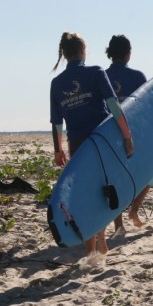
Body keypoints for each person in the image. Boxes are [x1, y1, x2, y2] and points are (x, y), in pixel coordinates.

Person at [50, 32, 134, 264]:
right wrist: (127, 137)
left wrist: (58, 150)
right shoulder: (96, 72)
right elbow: (114, 106)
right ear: (83, 51)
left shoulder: (56, 83)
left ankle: (96, 248)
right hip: (102, 139)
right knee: (105, 189)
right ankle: (98, 248)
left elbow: (57, 123)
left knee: (87, 193)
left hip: (77, 145)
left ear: (65, 54)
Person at [105, 35, 149, 234]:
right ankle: (134, 211)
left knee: (114, 180)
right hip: (133, 135)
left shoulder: (102, 76)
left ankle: (119, 225)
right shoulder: (137, 76)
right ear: (128, 53)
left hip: (108, 136)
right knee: (148, 175)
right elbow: (148, 106)